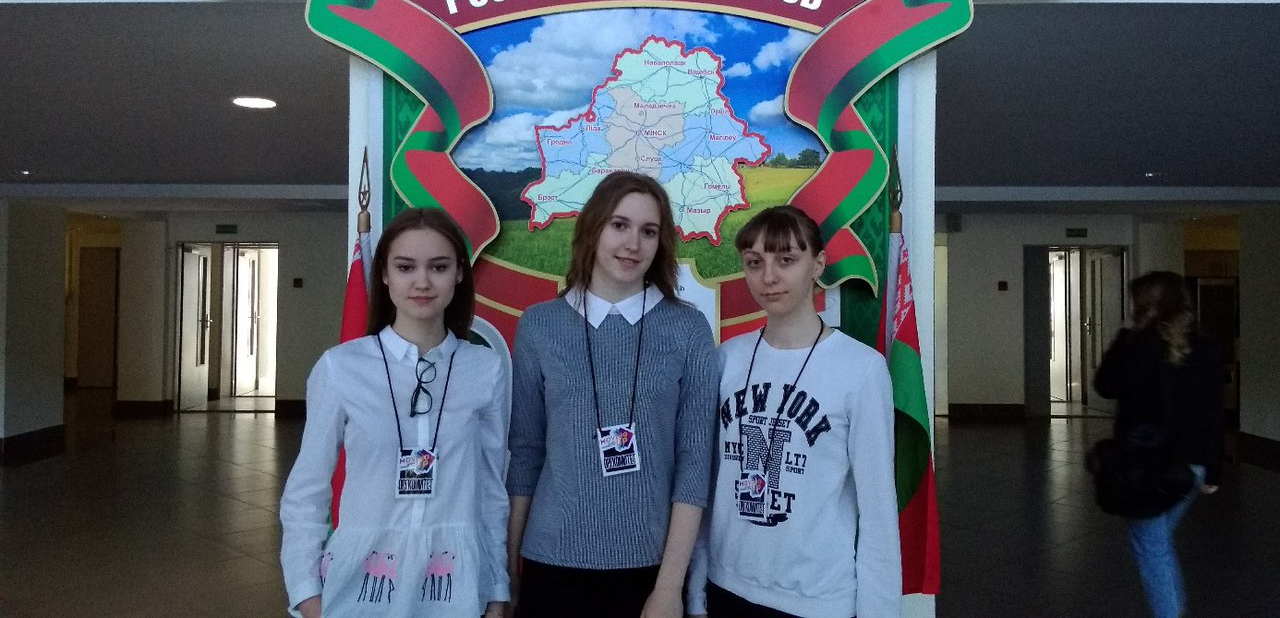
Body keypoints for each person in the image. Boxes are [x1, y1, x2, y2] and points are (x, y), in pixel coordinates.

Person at [505, 171, 720, 618]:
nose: (633, 244)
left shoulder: (688, 328)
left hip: (650, 571)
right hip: (551, 565)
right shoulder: (539, 325)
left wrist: (669, 588)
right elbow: (525, 455)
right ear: (593, 228)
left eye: (649, 231)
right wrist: (508, 573)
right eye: (619, 225)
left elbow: (695, 466)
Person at [280, 208, 510, 618]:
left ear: (459, 273)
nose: (422, 282)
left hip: (456, 586)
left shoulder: (484, 369)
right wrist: (305, 592)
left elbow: (491, 491)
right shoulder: (341, 367)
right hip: (359, 583)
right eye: (406, 267)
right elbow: (307, 490)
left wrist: (497, 587)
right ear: (384, 274)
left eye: (438, 267)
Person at [689, 205, 901, 618]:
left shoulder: (861, 369)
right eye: (755, 262)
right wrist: (697, 593)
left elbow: (878, 510)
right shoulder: (726, 360)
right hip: (726, 587)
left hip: (816, 601)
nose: (768, 277)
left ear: (817, 264)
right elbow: (709, 487)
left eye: (786, 260)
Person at [1094, 271, 1224, 618]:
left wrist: (1125, 335)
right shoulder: (1207, 348)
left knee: (1150, 546)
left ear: (1145, 305)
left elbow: (1105, 386)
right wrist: (1214, 469)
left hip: (1147, 468)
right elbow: (1214, 412)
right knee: (1156, 542)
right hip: (1192, 467)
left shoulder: (1138, 347)